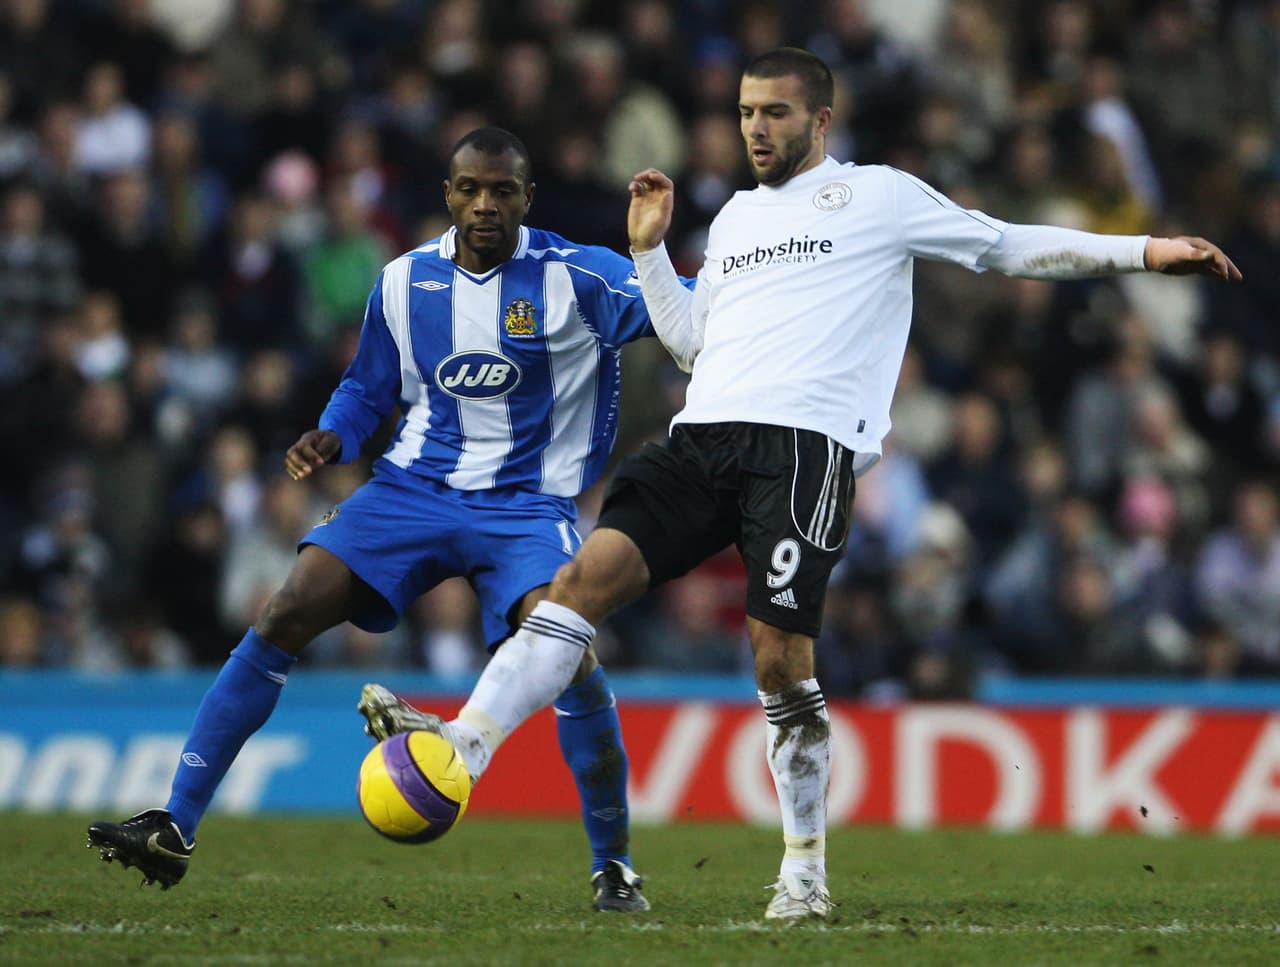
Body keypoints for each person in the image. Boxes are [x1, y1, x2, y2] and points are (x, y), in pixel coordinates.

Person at [358, 47, 1242, 921]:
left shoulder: (880, 196)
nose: (755, 128)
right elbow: (691, 345)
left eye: (775, 112)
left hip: (805, 446)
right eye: (746, 112)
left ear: (821, 120)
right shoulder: (737, 218)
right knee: (579, 584)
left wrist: (1148, 251)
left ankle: (805, 870)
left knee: (779, 658)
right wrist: (652, 255)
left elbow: (1004, 246)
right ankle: (461, 748)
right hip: (702, 436)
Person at [86, 127, 686, 913]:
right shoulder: (403, 282)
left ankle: (614, 866)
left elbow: (681, 320)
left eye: (503, 192)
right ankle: (175, 822)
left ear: (527, 200)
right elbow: (368, 385)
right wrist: (333, 429)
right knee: (290, 603)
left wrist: (654, 253)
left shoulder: (581, 277)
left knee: (566, 647)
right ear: (447, 194)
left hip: (529, 505)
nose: (484, 205)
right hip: (414, 488)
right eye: (470, 188)